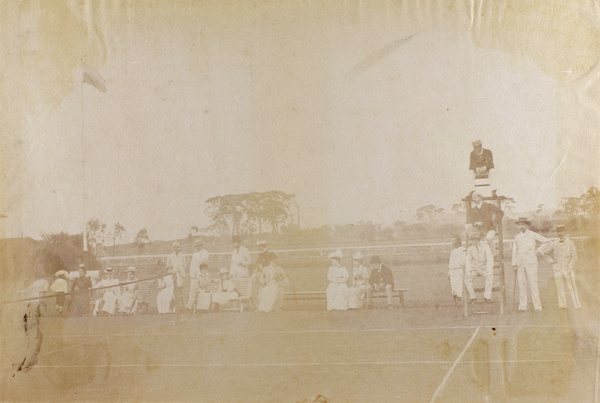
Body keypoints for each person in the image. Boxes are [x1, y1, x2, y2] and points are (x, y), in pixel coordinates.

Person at [539, 225, 582, 309]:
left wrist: (570, 268)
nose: (560, 233)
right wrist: (551, 262)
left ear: (564, 232)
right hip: (557, 269)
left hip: (568, 268)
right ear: (556, 233)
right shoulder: (554, 243)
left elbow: (574, 257)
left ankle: (577, 305)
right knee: (560, 287)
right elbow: (545, 253)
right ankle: (562, 306)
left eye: (561, 231)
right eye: (558, 231)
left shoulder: (570, 243)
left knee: (572, 287)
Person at [511, 217, 550, 312]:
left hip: (531, 260)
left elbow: (547, 241)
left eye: (523, 224)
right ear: (518, 226)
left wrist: (538, 251)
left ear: (527, 225)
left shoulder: (532, 234)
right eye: (520, 224)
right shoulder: (517, 237)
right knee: (521, 284)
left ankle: (537, 306)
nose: (522, 226)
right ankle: (522, 306)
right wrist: (514, 264)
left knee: (533, 283)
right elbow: (514, 251)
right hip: (520, 261)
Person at [464, 232, 495, 304]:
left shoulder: (486, 246)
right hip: (475, 269)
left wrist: (489, 270)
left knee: (490, 276)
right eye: (471, 239)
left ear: (477, 240)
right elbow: (468, 261)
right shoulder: (470, 248)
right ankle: (473, 297)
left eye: (473, 239)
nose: (471, 241)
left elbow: (490, 259)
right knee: (466, 277)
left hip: (484, 268)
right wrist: (468, 271)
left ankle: (487, 297)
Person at [251, 240, 277, 310]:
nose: (258, 247)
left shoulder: (269, 254)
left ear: (263, 246)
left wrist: (263, 271)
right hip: (261, 273)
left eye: (260, 246)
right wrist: (257, 269)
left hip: (267, 274)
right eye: (258, 246)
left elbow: (271, 265)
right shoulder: (260, 254)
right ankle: (256, 304)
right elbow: (257, 264)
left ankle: (266, 305)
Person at [186, 239, 210, 312]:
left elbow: (201, 262)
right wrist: (192, 274)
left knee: (202, 290)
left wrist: (197, 254)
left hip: (202, 273)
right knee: (192, 290)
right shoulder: (194, 254)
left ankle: (202, 307)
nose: (197, 247)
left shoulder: (205, 252)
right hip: (194, 274)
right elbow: (192, 264)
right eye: (196, 246)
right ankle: (189, 306)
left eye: (198, 245)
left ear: (201, 245)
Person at [166, 241, 187, 312]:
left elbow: (184, 265)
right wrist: (172, 272)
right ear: (173, 248)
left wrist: (181, 271)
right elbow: (168, 266)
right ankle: (174, 307)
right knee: (174, 291)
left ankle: (181, 306)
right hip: (173, 275)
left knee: (180, 291)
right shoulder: (170, 256)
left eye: (179, 246)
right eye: (176, 247)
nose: (178, 248)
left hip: (180, 275)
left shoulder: (182, 256)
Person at [448, 236, 466, 306]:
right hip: (452, 271)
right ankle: (455, 301)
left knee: (459, 287)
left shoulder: (463, 249)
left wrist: (459, 267)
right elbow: (450, 263)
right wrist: (449, 273)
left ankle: (459, 301)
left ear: (458, 241)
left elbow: (463, 261)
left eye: (454, 240)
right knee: (453, 287)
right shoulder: (453, 251)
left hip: (459, 270)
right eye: (452, 240)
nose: (452, 242)